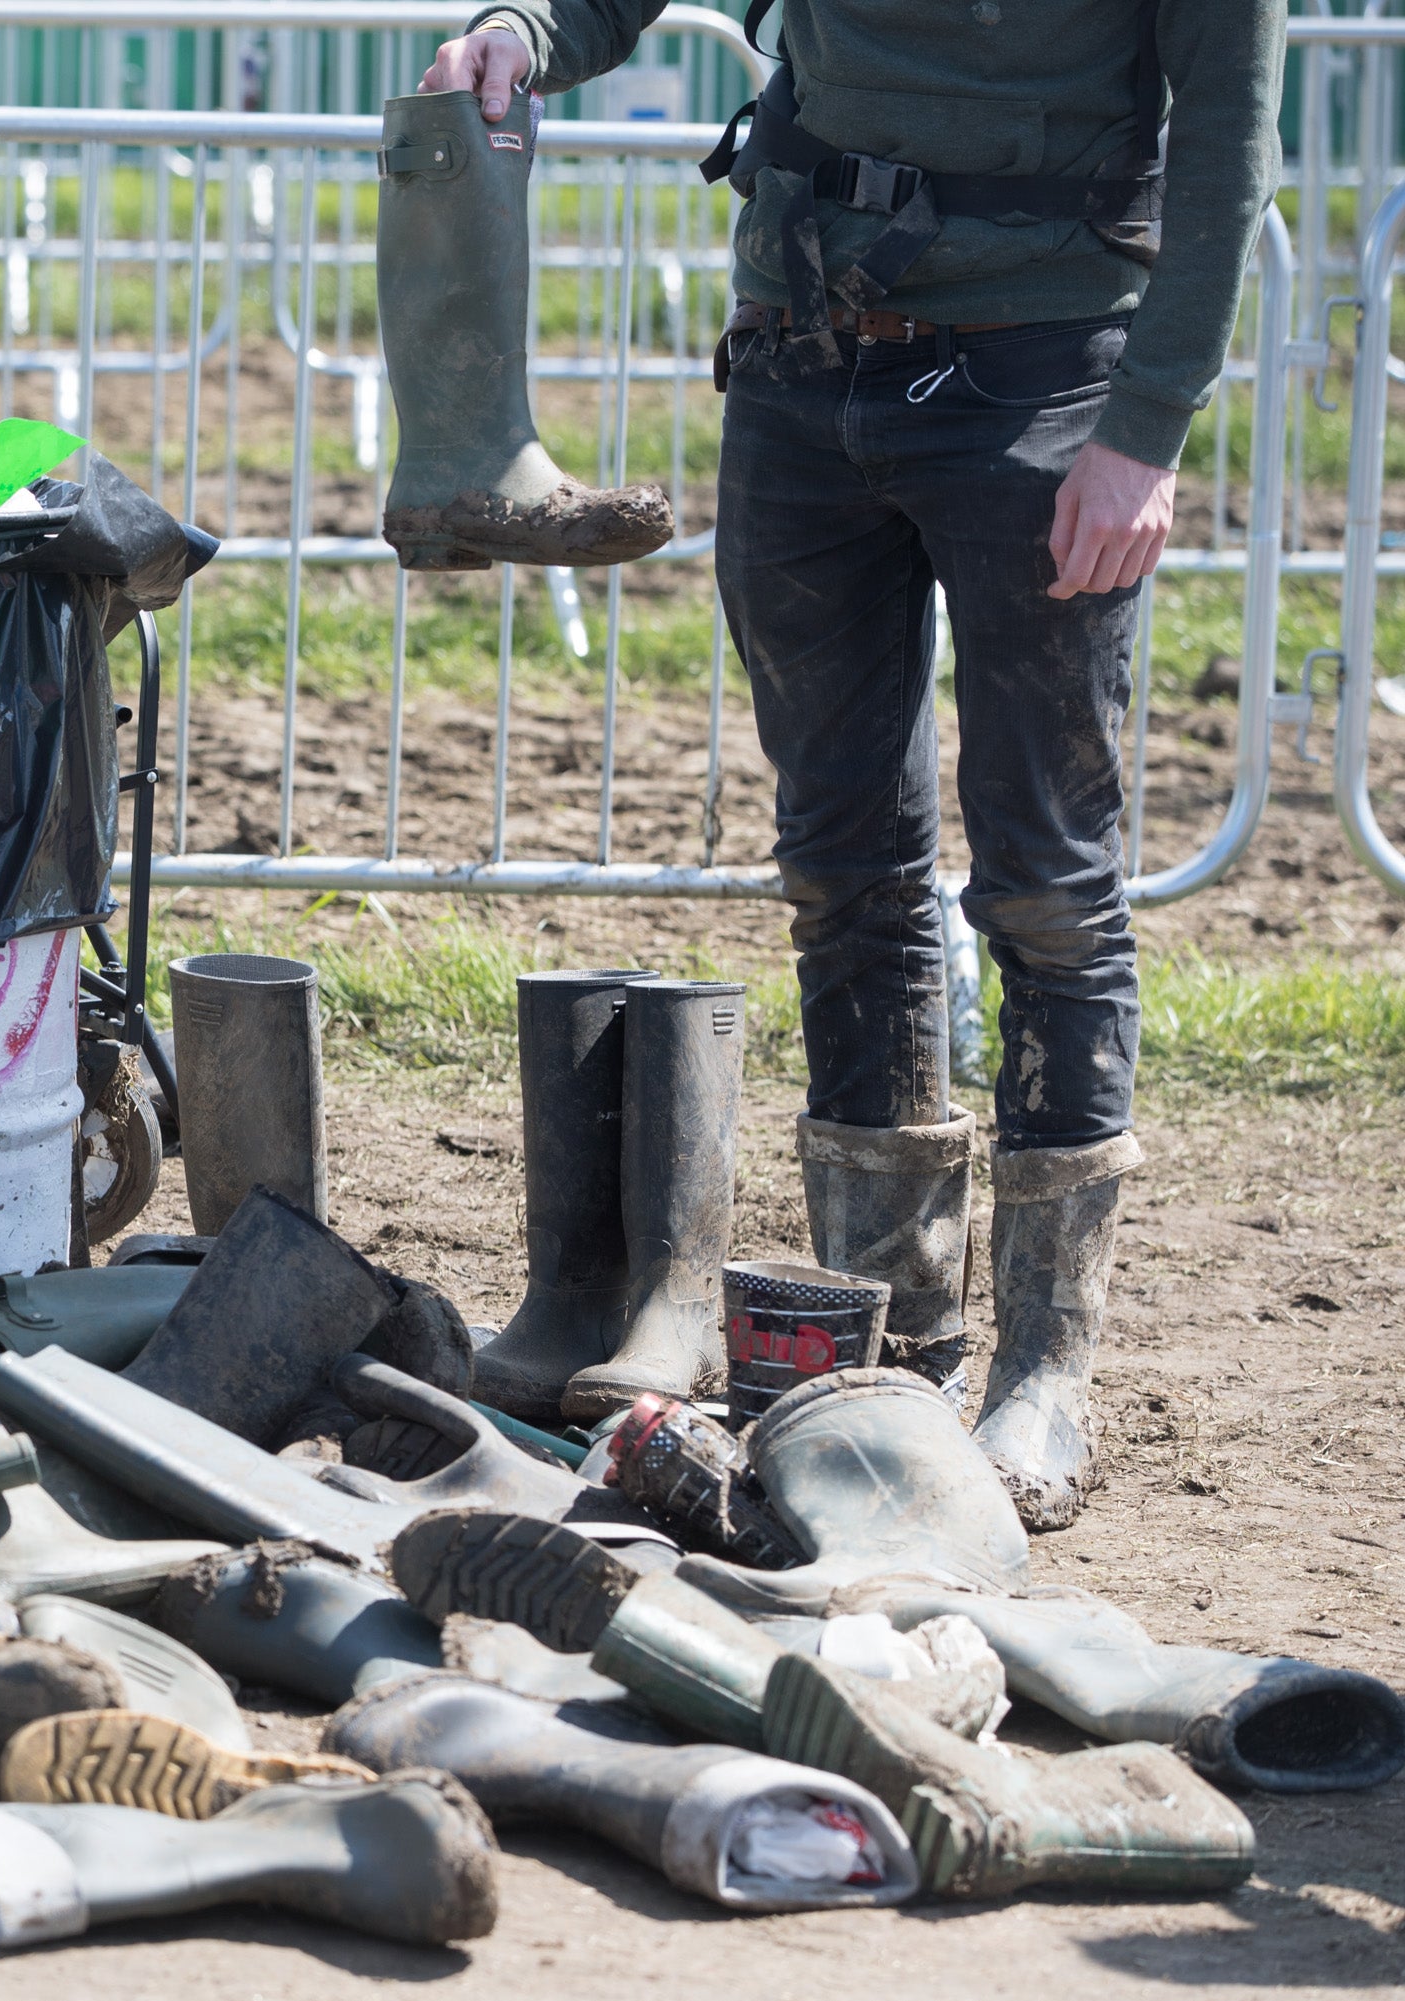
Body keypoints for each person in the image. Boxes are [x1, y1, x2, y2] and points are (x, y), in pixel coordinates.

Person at [422, 1, 1283, 1528]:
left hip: (1047, 378)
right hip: (807, 356)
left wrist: (1146, 430)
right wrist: (524, 28)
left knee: (1050, 886)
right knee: (844, 868)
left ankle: (1044, 1375)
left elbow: (1228, 138)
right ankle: (894, 1355)